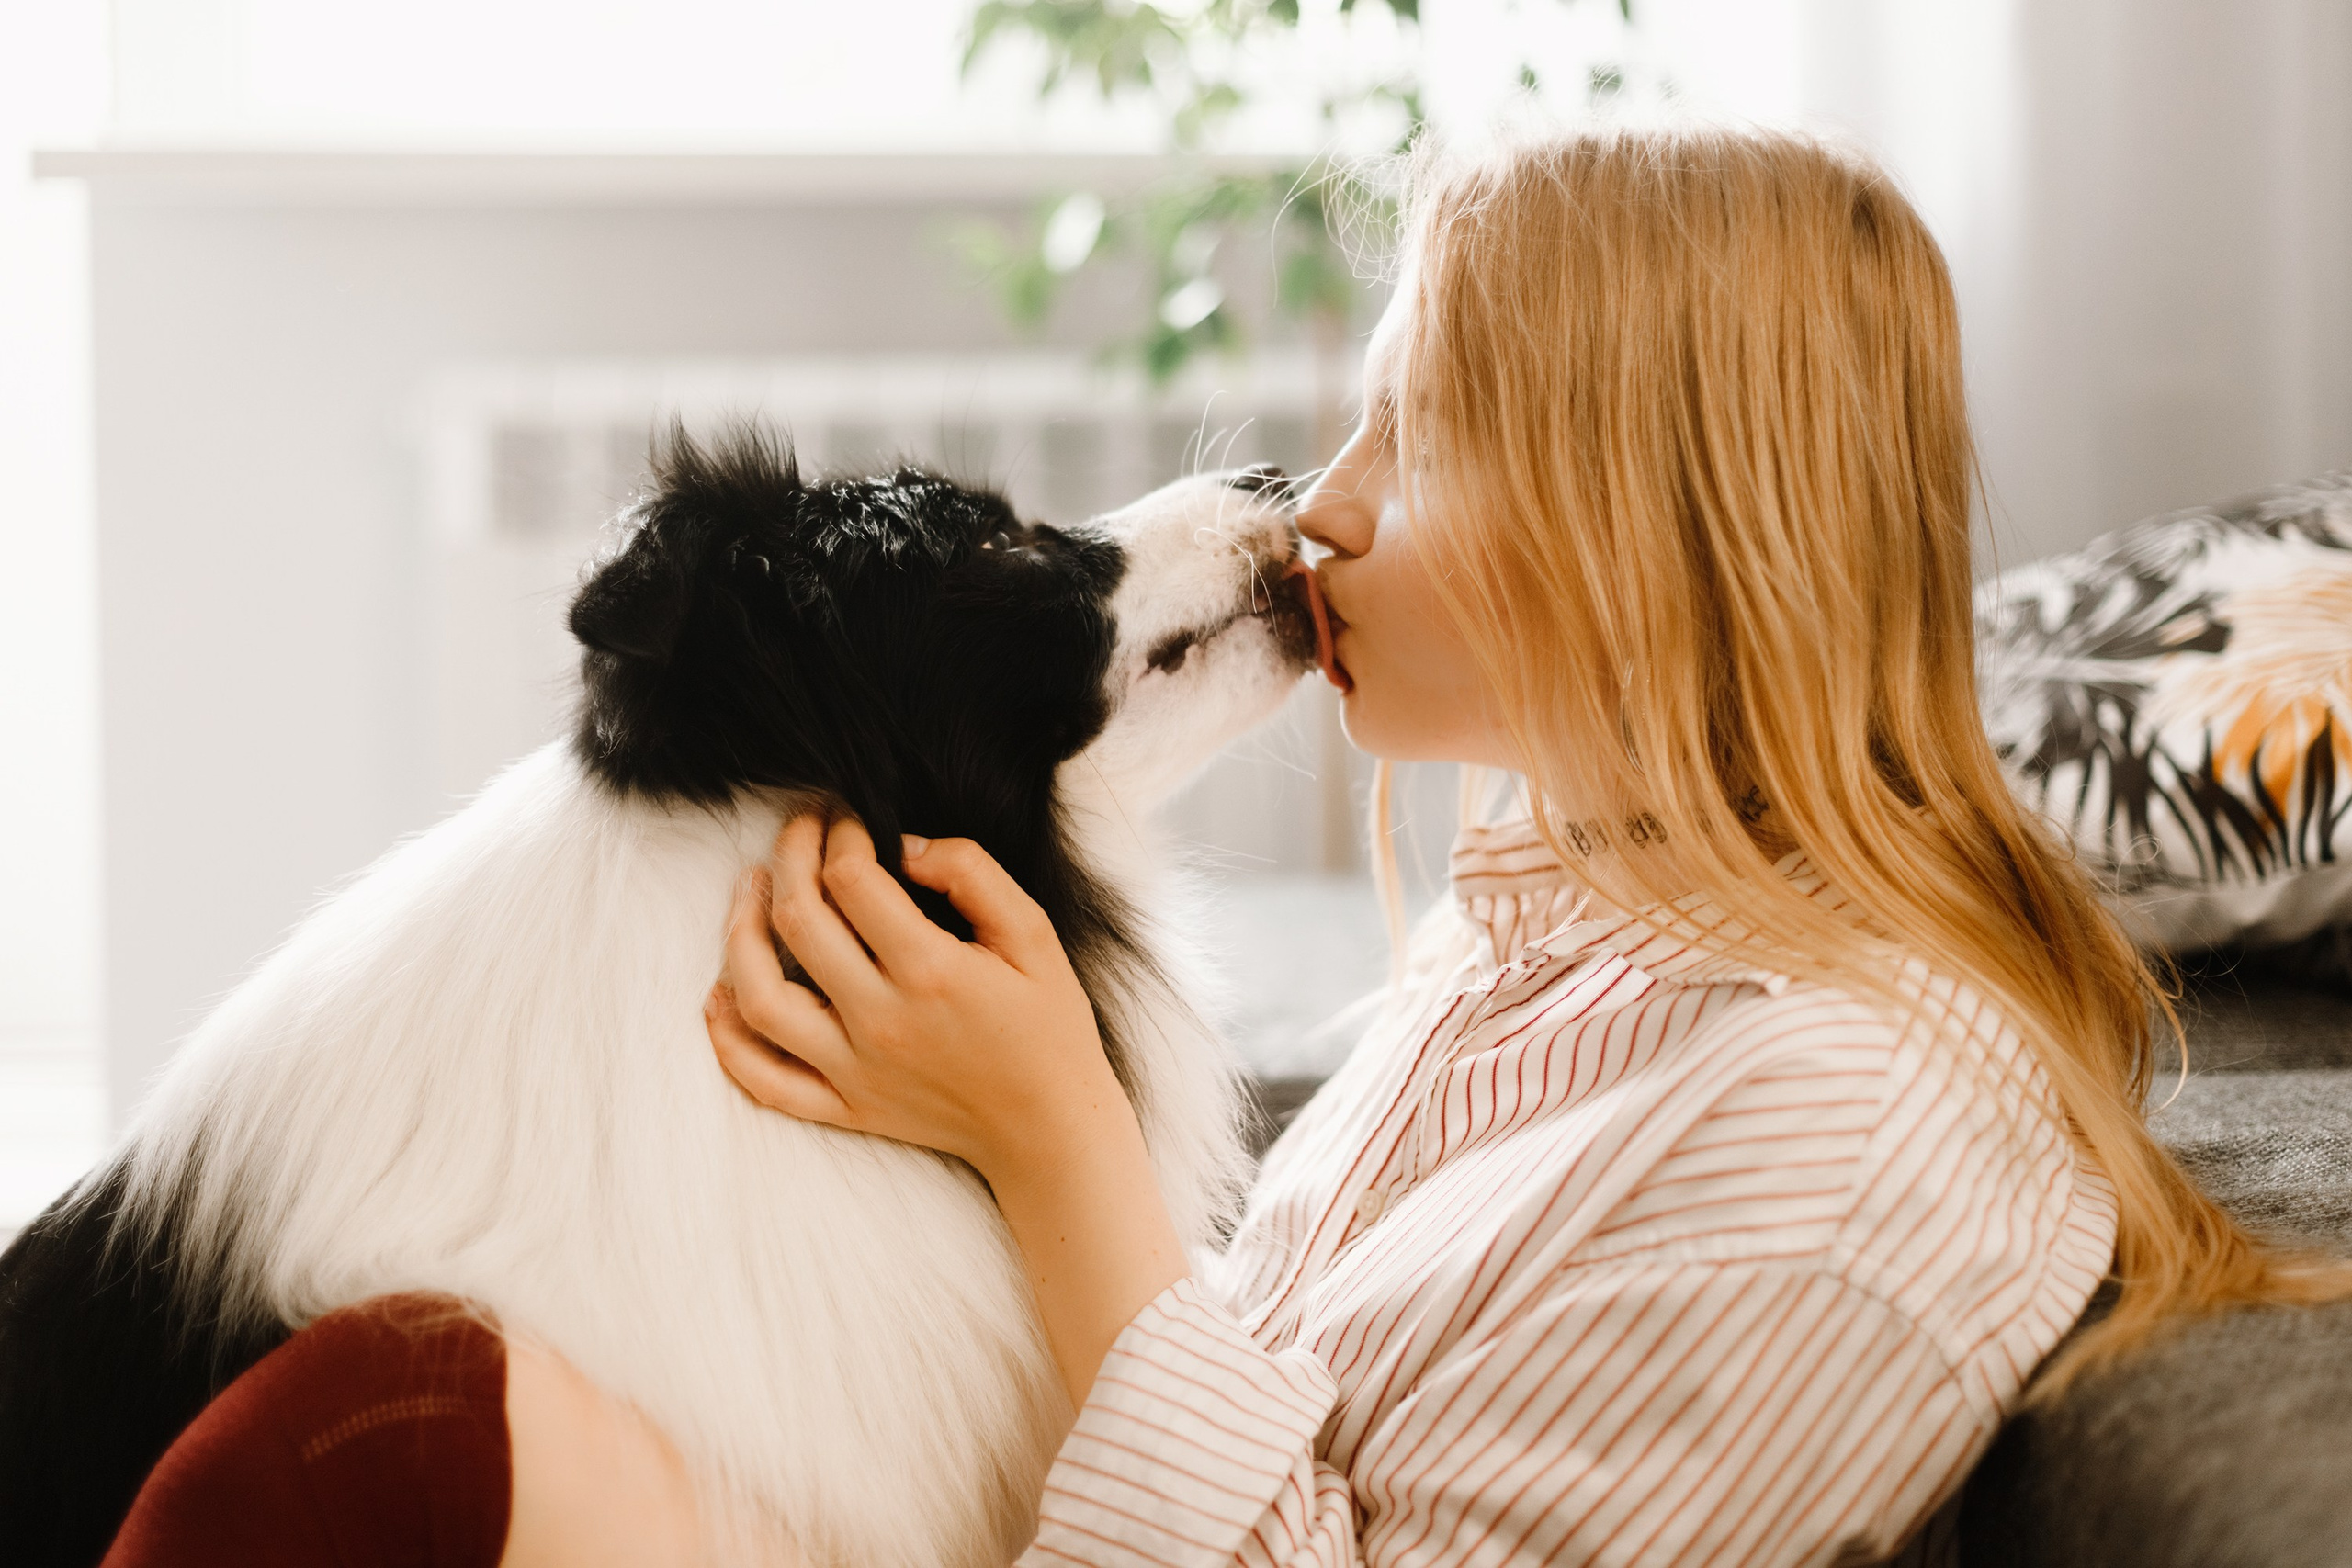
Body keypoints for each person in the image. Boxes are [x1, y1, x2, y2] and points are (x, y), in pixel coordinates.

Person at [700, 125, 2350, 1567]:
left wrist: (1056, 1136)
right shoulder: (1555, 923)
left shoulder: (1842, 1149)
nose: (1319, 512)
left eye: (1413, 436)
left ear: (1657, 516)